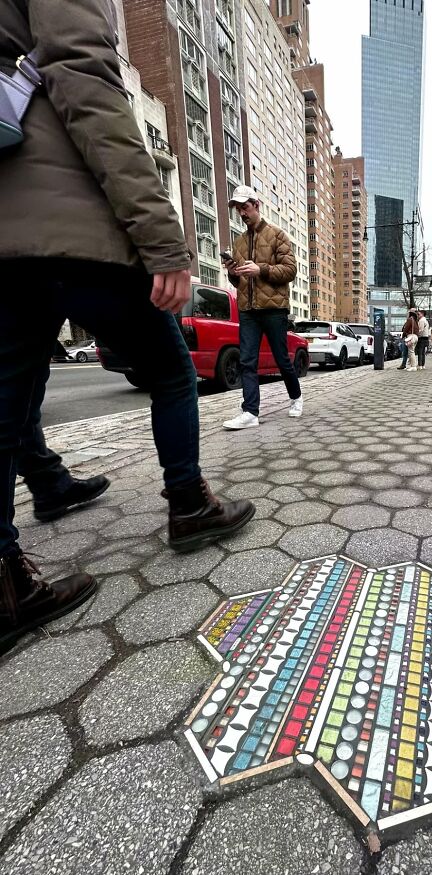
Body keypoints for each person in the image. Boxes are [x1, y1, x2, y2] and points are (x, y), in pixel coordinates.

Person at [0, 0, 255, 655]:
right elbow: (84, 78)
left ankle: (7, 568)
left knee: (10, 391)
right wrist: (160, 235)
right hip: (67, 217)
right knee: (171, 366)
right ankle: (189, 502)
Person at [221, 186, 303, 429]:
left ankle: (296, 397)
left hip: (274, 309)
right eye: (238, 210)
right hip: (248, 310)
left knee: (281, 360)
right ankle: (250, 413)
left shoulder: (278, 235)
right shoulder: (238, 242)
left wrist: (262, 269)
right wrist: (233, 273)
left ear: (256, 205)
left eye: (245, 208)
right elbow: (239, 281)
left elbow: (290, 271)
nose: (242, 214)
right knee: (247, 361)